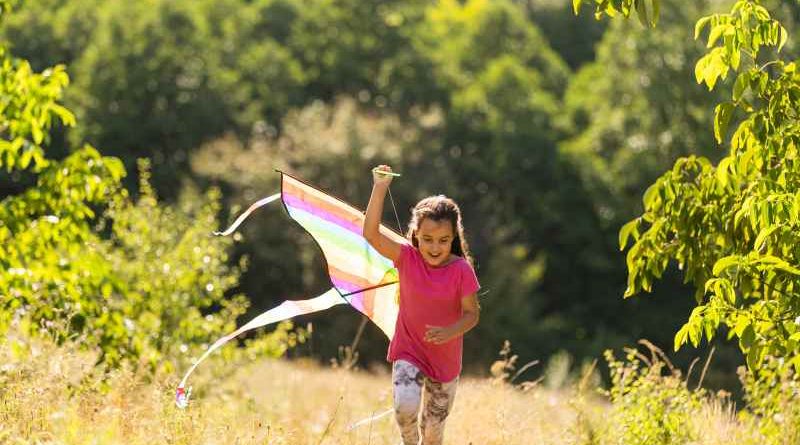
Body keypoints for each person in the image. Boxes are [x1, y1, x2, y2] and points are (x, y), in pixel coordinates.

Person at [363, 164, 481, 445]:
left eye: (443, 240)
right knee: (404, 408)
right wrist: (380, 188)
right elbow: (371, 235)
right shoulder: (406, 257)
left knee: (432, 432)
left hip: (445, 362)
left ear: (453, 238)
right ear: (416, 234)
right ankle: (407, 441)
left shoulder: (461, 270)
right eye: (427, 239)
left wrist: (449, 332)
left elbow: (472, 314)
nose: (435, 247)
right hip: (409, 348)